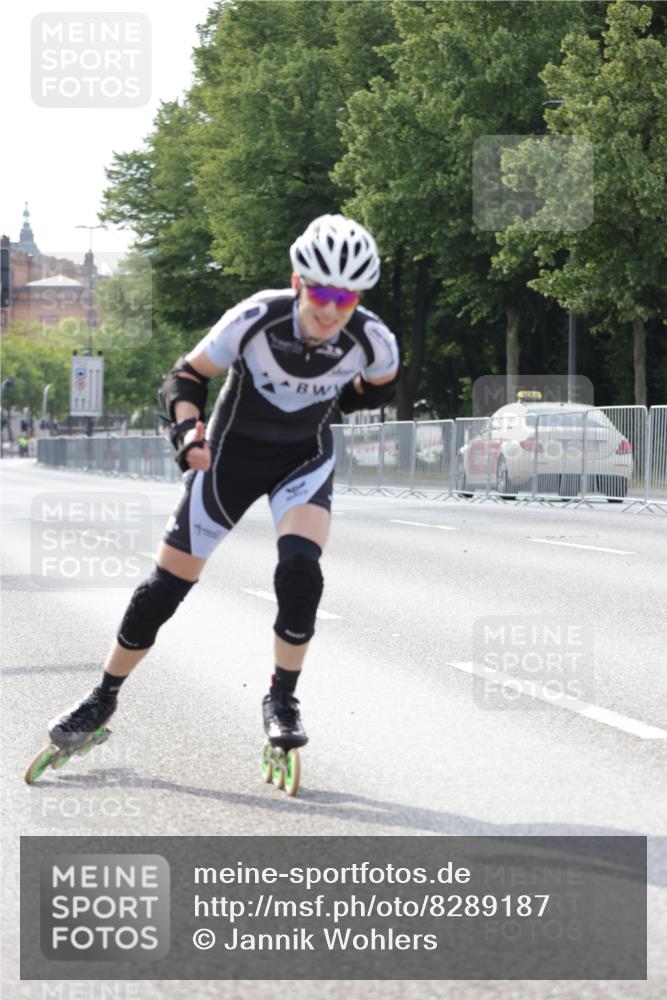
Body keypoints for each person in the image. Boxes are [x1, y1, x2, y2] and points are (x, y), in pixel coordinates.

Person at [45, 214, 400, 758]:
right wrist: (187, 431)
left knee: (300, 571)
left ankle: (282, 700)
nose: (331, 310)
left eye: (346, 297)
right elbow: (185, 376)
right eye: (322, 292)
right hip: (228, 463)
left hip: (302, 461)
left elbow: (376, 391)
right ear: (298, 282)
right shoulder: (256, 317)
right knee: (165, 588)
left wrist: (331, 398)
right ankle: (102, 697)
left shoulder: (373, 340)